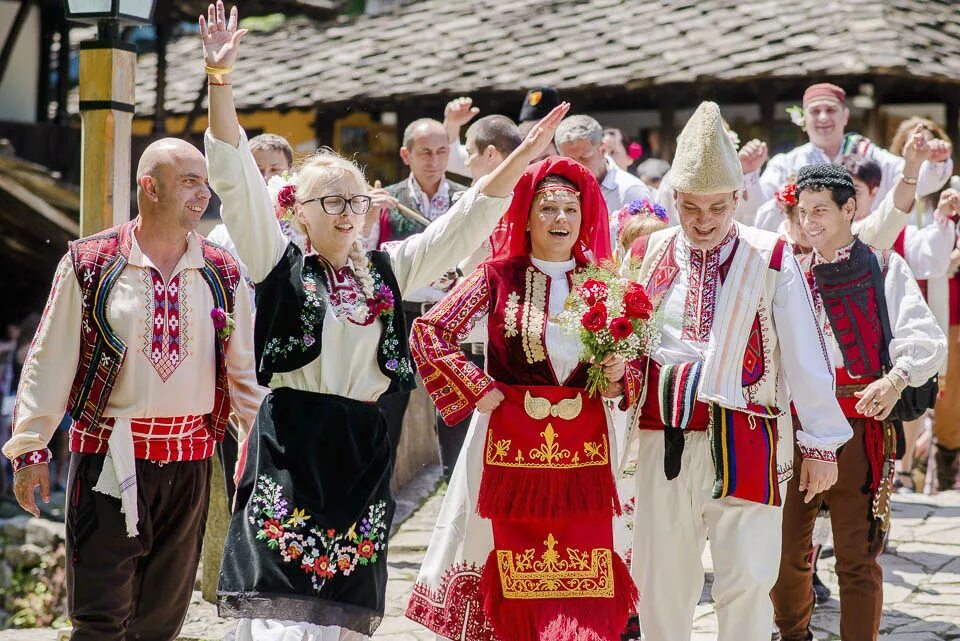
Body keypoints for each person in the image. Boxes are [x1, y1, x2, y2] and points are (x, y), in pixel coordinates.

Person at [201, 5, 569, 638]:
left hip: (363, 446)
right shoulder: (278, 261)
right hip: (294, 441)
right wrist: (220, 78)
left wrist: (524, 159)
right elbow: (235, 180)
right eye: (332, 201)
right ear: (299, 213)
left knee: (344, 605)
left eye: (356, 200)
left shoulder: (387, 268)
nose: (348, 213)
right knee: (281, 602)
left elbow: (464, 224)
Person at [2, 130, 263, 641]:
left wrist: (265, 457)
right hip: (107, 458)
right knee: (99, 617)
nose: (203, 195)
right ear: (151, 186)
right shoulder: (90, 263)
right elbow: (48, 359)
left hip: (190, 463)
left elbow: (245, 377)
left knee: (161, 618)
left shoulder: (224, 271)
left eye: (205, 184)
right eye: (189, 182)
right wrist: (31, 447)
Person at [621, 102, 852, 641]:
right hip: (664, 439)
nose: (704, 221)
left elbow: (805, 352)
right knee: (660, 577)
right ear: (674, 199)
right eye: (692, 208)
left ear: (738, 199)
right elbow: (625, 340)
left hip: (749, 437)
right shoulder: (646, 252)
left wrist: (819, 443)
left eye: (717, 208)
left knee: (748, 577)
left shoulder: (770, 254)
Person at [405, 155, 638, 641]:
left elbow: (631, 363)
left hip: (583, 454)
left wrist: (619, 375)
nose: (560, 221)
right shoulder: (496, 276)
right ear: (526, 217)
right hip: (506, 447)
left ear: (586, 217)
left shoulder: (605, 282)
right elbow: (428, 333)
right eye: (548, 208)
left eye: (571, 210)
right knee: (501, 560)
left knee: (583, 567)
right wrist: (477, 387)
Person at [771, 162, 946, 641]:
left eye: (821, 211)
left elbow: (924, 338)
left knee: (856, 556)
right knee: (786, 556)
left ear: (850, 208)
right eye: (803, 212)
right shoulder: (787, 273)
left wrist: (894, 381)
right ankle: (793, 635)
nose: (810, 221)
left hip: (860, 426)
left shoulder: (884, 265)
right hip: (796, 430)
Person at [759, 83, 953, 212]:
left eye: (831, 110)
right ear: (804, 118)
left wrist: (933, 162)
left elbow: (915, 183)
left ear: (845, 116)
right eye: (815, 111)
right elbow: (757, 206)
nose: (823, 118)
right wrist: (748, 172)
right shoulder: (785, 163)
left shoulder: (869, 154)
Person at [555, 114, 655, 217]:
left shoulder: (631, 192)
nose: (578, 167)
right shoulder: (555, 192)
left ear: (602, 150)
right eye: (570, 161)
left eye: (585, 158)